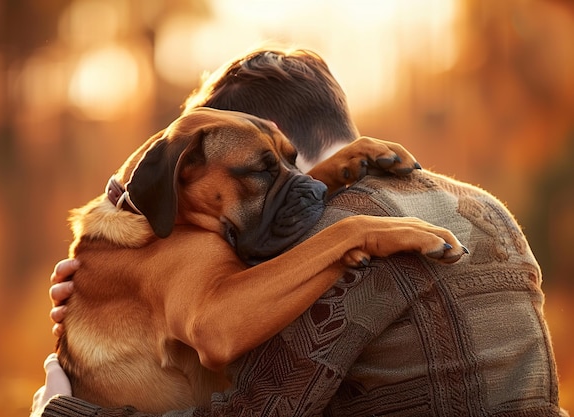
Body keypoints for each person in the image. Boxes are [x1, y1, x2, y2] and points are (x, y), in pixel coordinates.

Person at [31, 48, 567, 416]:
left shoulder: (342, 234)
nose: (300, 189)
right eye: (266, 173)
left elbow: (253, 401)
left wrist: (59, 409)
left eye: (287, 167)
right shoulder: (481, 205)